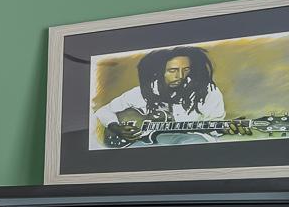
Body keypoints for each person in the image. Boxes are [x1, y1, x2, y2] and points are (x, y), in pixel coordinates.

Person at [93, 46, 225, 146]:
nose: (180, 76)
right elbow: (103, 111)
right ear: (158, 72)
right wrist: (115, 127)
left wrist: (223, 129)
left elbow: (215, 128)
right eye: (172, 70)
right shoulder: (142, 92)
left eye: (186, 70)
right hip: (146, 145)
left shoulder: (207, 91)